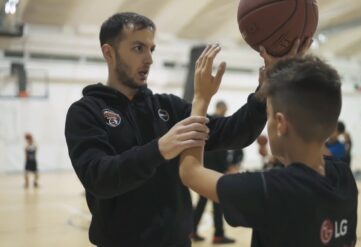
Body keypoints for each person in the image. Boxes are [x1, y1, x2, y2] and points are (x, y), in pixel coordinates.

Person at [64, 12, 267, 246]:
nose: (149, 59)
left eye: (152, 49)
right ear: (108, 53)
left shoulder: (169, 107)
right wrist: (160, 149)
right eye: (138, 48)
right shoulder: (86, 112)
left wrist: (262, 97)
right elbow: (99, 178)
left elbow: (231, 132)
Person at [179, 41, 358, 247]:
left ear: (281, 124)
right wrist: (287, 74)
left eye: (269, 115)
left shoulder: (270, 189)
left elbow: (190, 172)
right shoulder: (344, 177)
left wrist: (201, 99)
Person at [191, 101, 235, 244]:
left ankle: (192, 231)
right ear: (220, 108)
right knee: (217, 204)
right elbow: (221, 150)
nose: (225, 111)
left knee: (203, 203)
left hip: (206, 169)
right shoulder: (219, 124)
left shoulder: (207, 122)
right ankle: (218, 235)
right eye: (225, 108)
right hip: (215, 171)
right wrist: (226, 167)